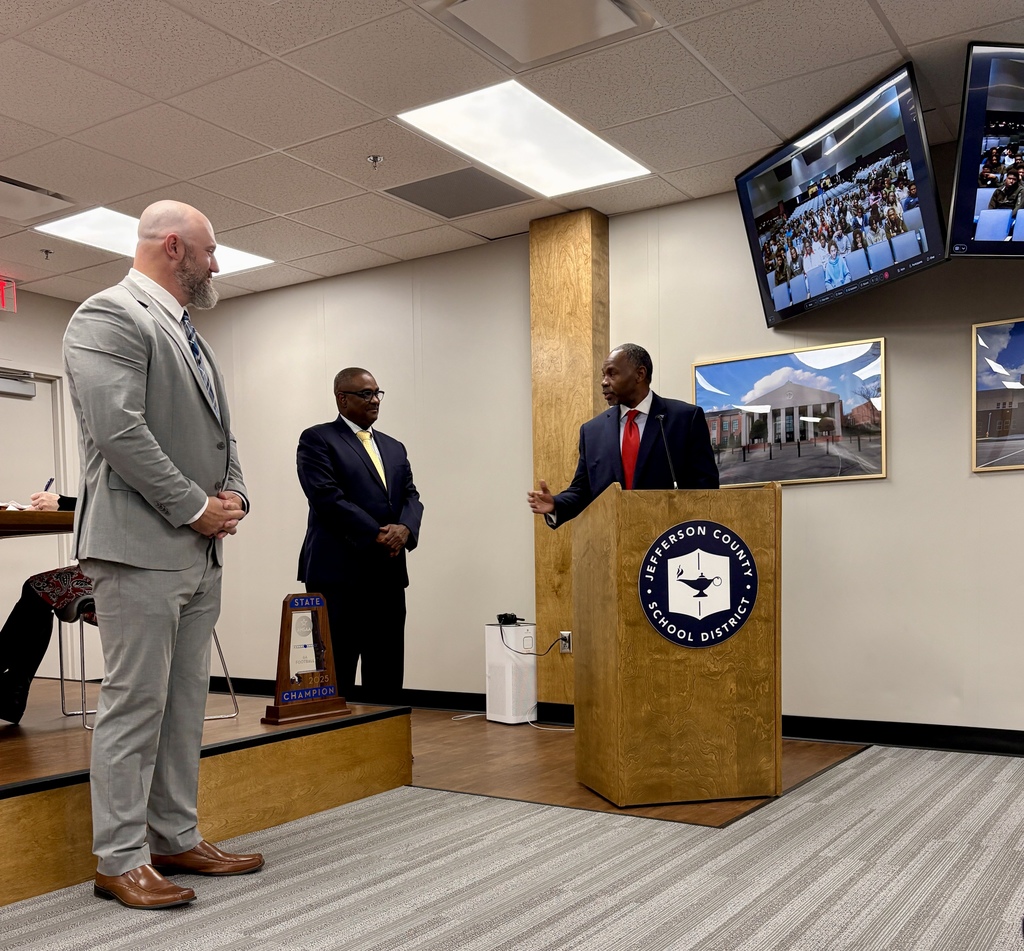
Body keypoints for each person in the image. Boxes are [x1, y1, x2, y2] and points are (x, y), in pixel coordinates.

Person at [62, 200, 262, 911]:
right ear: (174, 247)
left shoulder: (188, 332)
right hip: (138, 548)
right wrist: (195, 507)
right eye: (209, 251)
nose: (216, 264)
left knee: (183, 705)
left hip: (197, 553)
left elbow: (219, 435)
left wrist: (233, 494)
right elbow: (120, 431)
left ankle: (175, 834)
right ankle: (119, 858)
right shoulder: (107, 316)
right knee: (134, 703)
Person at [296, 368, 423, 700]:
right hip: (339, 575)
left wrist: (405, 529)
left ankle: (386, 745)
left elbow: (411, 496)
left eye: (378, 393)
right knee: (337, 671)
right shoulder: (317, 439)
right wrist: (379, 534)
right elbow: (327, 498)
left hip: (388, 573)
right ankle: (337, 747)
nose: (375, 400)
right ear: (342, 398)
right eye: (366, 394)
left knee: (387, 668)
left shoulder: (394, 447)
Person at [527, 344, 719, 526]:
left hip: (670, 541)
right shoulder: (592, 431)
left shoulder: (684, 419)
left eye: (612, 373)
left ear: (640, 374)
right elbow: (582, 490)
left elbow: (706, 486)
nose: (604, 382)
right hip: (613, 544)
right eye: (603, 375)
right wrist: (555, 504)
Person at [0, 492, 89, 725]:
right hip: (141, 572)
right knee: (40, 589)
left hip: (126, 579)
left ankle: (13, 694)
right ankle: (13, 694)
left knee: (39, 589)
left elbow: (120, 508)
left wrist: (63, 503)